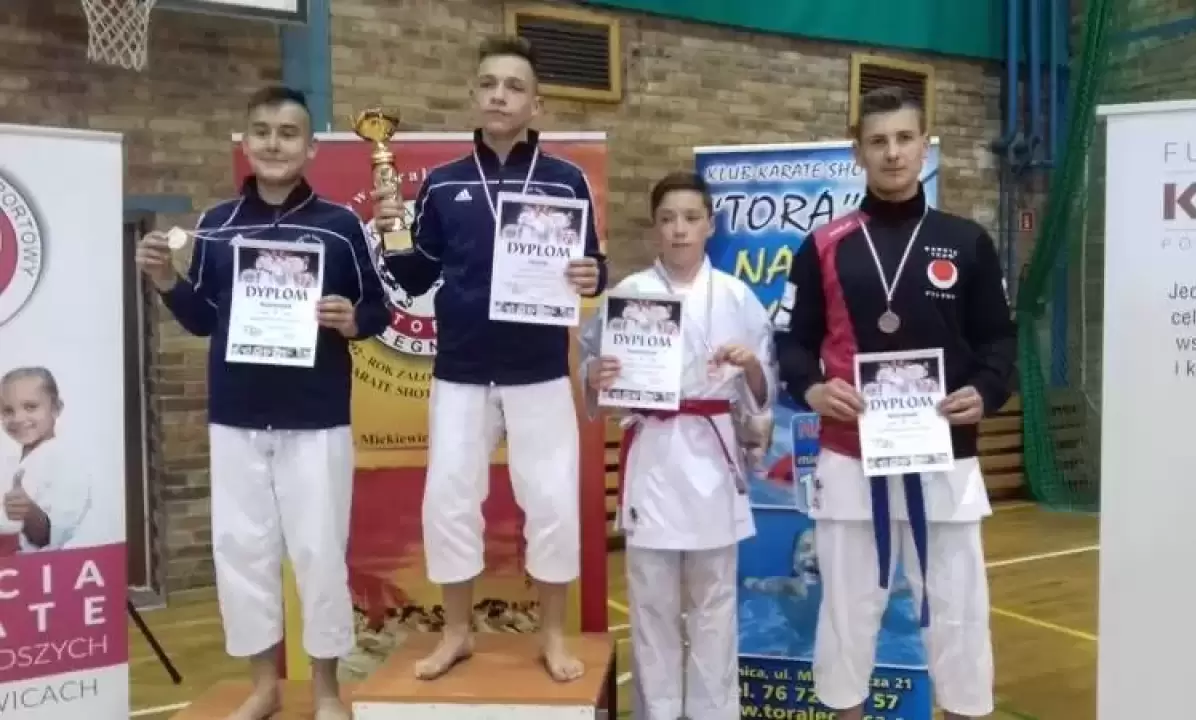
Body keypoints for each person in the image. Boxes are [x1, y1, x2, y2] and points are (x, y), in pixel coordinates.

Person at [135, 86, 391, 720]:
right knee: (242, 553)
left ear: (310, 147)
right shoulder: (217, 225)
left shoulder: (340, 227)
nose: (274, 143)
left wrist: (351, 319)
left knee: (319, 554)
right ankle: (264, 686)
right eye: (262, 132)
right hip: (237, 417)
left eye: (288, 132)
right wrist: (166, 280)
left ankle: (326, 689)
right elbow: (203, 319)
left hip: (316, 416)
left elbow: (379, 309)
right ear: (246, 142)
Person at [774, 86, 1016, 720]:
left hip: (945, 456)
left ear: (923, 146)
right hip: (851, 457)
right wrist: (812, 389)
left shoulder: (965, 241)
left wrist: (986, 391)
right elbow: (792, 342)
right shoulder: (823, 244)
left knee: (959, 616)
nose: (892, 153)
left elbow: (999, 339)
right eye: (877, 141)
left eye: (905, 139)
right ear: (857, 152)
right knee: (846, 615)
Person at [373, 35, 608, 683]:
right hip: (462, 368)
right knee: (448, 500)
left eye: (514, 86)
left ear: (536, 104)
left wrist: (593, 273)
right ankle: (457, 633)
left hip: (538, 368)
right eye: (488, 84)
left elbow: (592, 264)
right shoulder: (444, 183)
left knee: (552, 501)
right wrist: (393, 233)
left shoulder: (565, 180)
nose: (499, 96)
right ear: (474, 96)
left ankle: (553, 635)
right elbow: (416, 276)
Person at [581, 171, 775, 719]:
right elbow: (591, 367)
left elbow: (764, 394)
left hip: (712, 456)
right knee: (651, 606)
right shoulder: (630, 294)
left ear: (710, 224)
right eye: (668, 219)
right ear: (655, 229)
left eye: (691, 218)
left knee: (715, 605)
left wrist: (751, 366)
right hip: (654, 455)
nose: (680, 229)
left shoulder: (737, 296)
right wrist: (595, 374)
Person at [0, 366, 92, 556]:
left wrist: (28, 513)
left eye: (30, 407)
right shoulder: (11, 462)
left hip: (39, 568)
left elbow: (51, 535)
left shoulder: (66, 461)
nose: (18, 418)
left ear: (56, 408)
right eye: (8, 410)